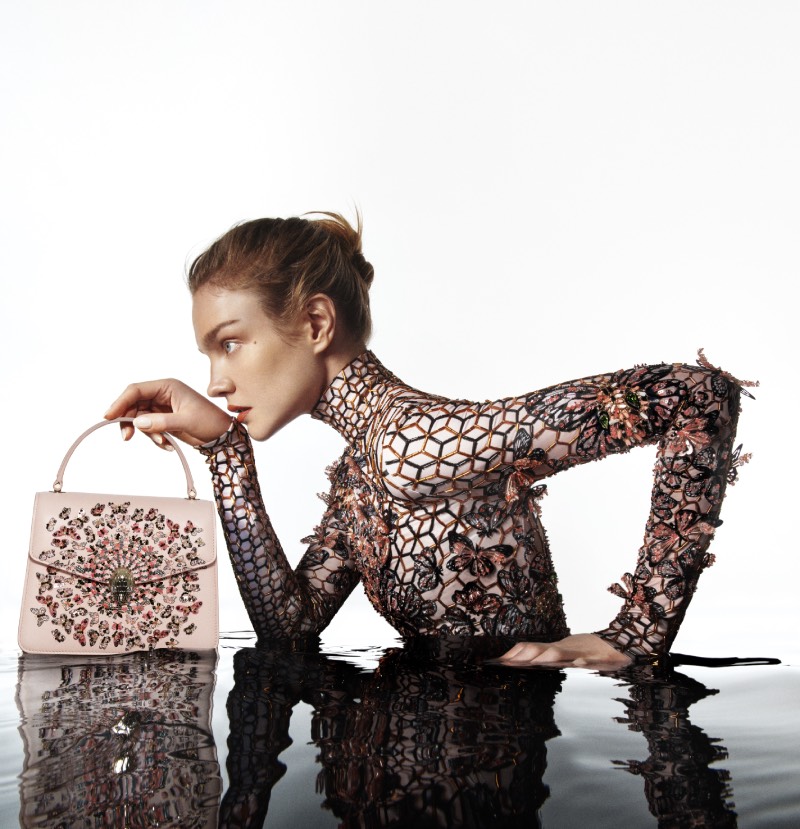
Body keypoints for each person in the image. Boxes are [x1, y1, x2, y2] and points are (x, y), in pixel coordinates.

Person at [105, 213, 753, 668]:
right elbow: (291, 628)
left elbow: (697, 395)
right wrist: (226, 453)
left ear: (316, 322)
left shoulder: (413, 444)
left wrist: (638, 633)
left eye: (229, 343)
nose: (216, 382)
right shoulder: (363, 470)